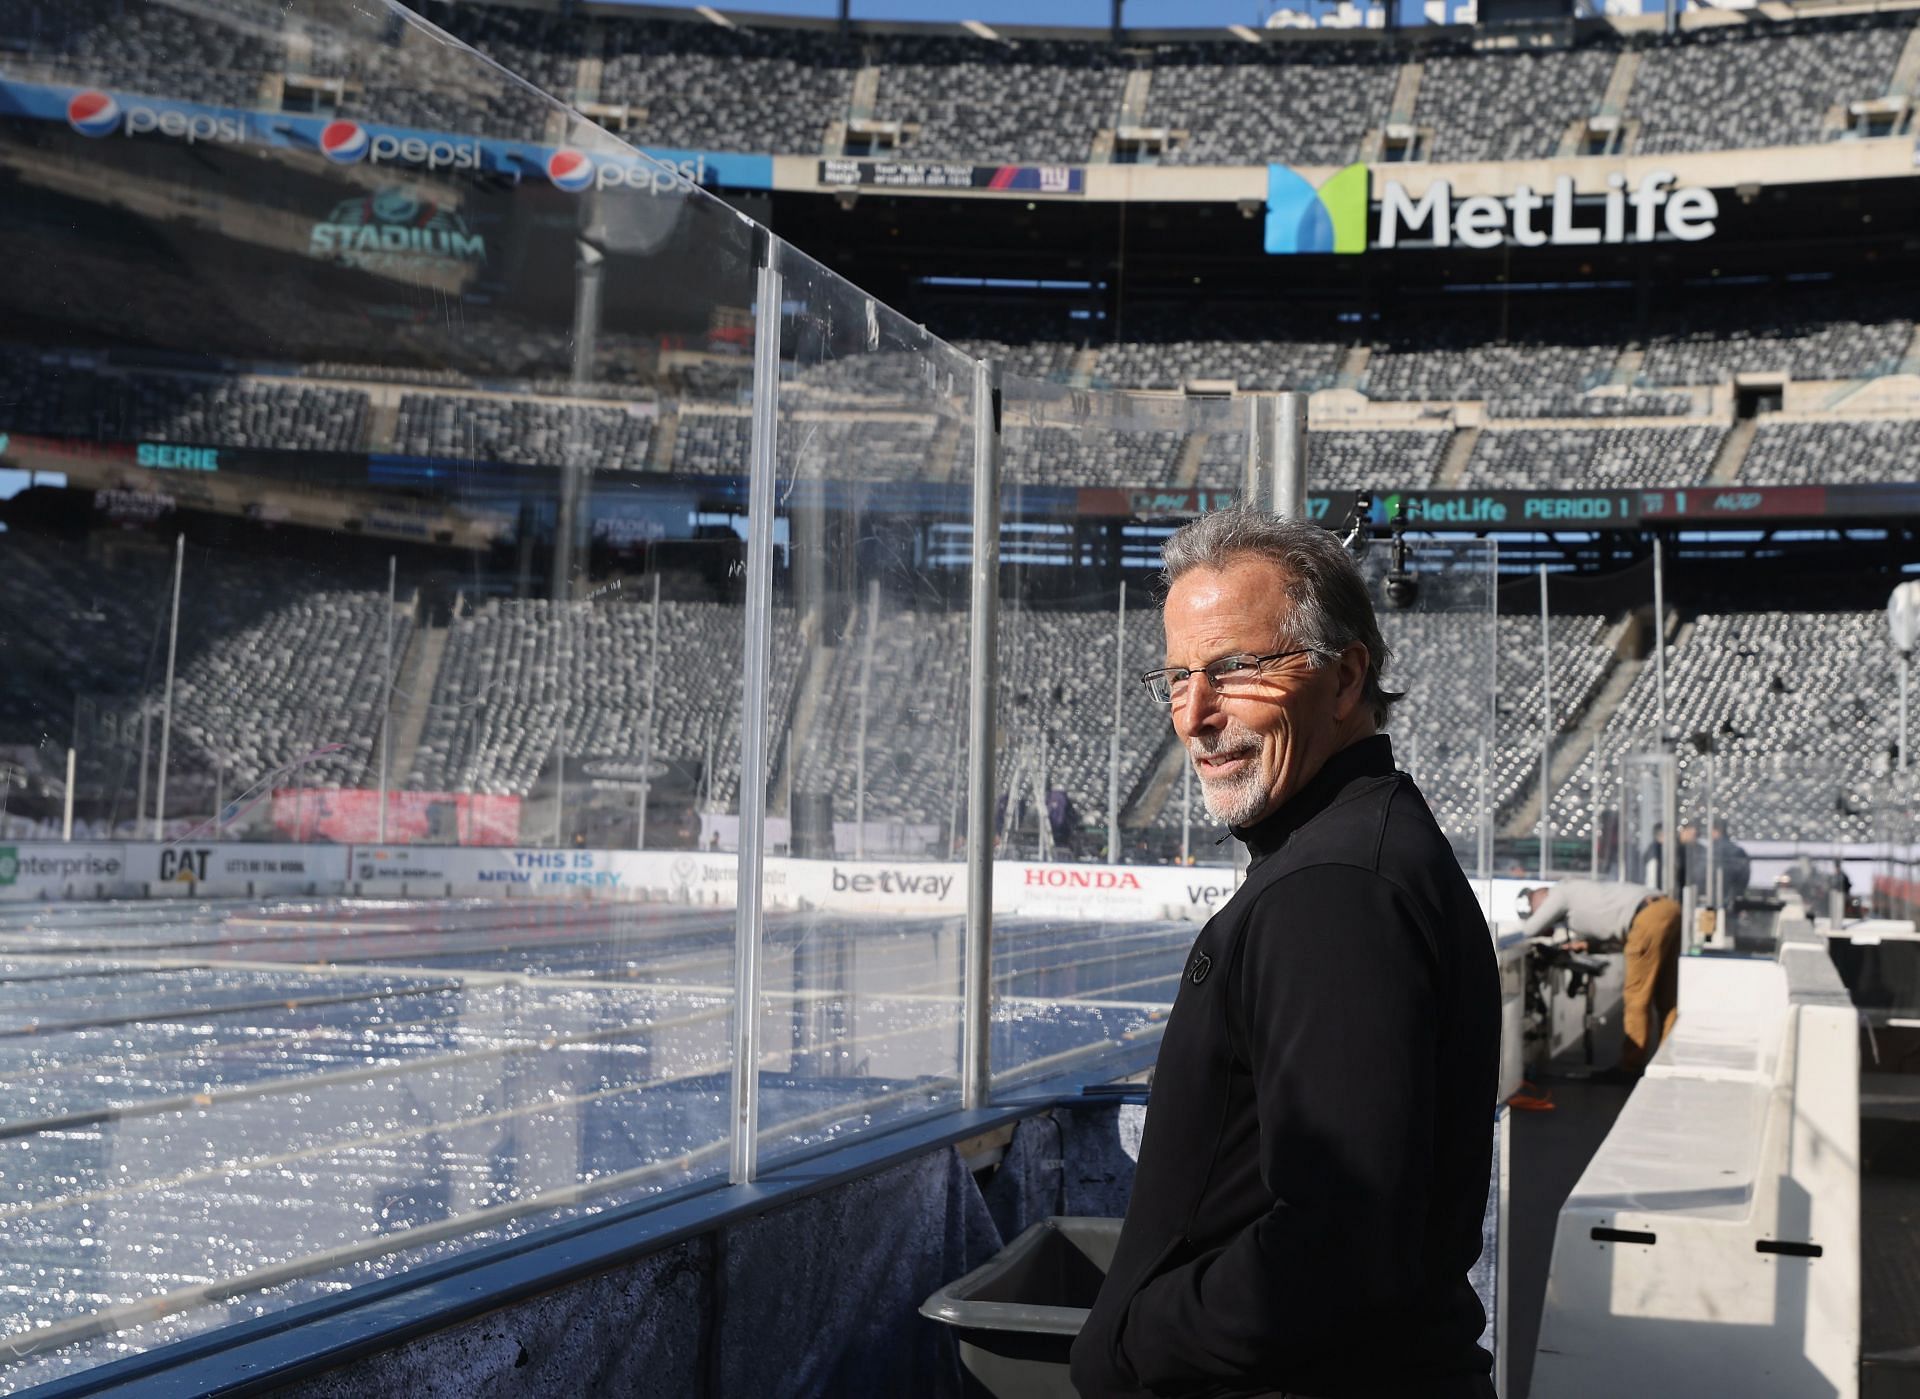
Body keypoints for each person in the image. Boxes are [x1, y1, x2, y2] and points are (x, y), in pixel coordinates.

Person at [1070, 508, 1500, 1399]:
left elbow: (1340, 1240)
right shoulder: (1349, 851)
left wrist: (1131, 1343)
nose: (1193, 715)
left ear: (1344, 679)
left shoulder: (1334, 890)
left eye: (1233, 668)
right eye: (1179, 676)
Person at [1519, 878, 1681, 1077]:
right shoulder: (1578, 892)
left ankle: (1630, 1067)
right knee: (1666, 996)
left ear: (1542, 897)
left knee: (1636, 998)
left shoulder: (1559, 893)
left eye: (1534, 906)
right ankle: (1669, 1059)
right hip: (1667, 909)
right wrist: (1589, 946)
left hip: (1647, 918)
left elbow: (1529, 930)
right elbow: (1623, 937)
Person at [1710, 820, 1751, 902]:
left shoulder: (1712, 850)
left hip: (1716, 897)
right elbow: (1745, 875)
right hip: (1733, 898)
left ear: (1716, 831)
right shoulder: (1738, 850)